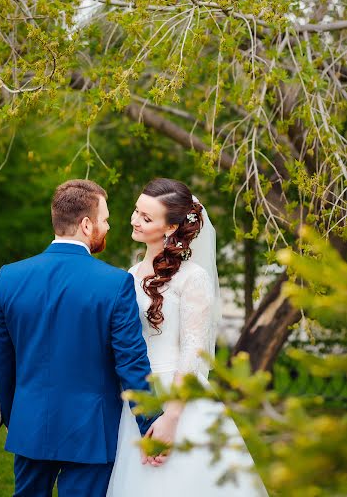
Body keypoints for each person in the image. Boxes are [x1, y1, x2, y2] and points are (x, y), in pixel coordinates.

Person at [0, 179, 159, 497]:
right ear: (86, 224)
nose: (107, 227)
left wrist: (16, 415)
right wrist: (150, 424)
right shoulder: (115, 283)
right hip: (91, 432)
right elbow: (131, 361)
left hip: (30, 424)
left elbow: (2, 360)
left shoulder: (9, 277)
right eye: (105, 220)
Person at [107, 178, 268, 496]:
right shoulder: (130, 273)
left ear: (169, 229)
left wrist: (171, 418)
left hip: (177, 393)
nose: (135, 220)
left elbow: (193, 351)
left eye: (146, 217)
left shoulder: (193, 278)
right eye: (137, 211)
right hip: (136, 390)